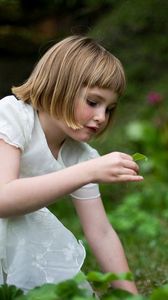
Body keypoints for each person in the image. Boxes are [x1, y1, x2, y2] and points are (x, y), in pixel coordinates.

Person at [0, 35, 143, 294]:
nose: (101, 117)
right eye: (93, 102)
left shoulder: (80, 155)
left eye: (109, 109)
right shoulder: (14, 116)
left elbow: (100, 232)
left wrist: (130, 295)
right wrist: (88, 172)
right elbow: (3, 199)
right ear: (59, 86)